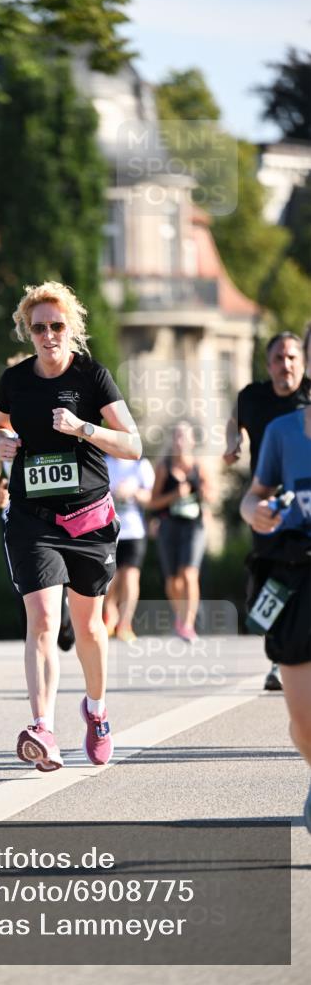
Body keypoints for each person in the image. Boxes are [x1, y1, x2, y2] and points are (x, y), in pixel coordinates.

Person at [0, 281, 141, 771]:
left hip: (88, 519)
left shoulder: (93, 376)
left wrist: (83, 428)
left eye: (57, 326)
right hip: (33, 517)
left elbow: (133, 445)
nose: (49, 335)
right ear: (26, 332)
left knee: (90, 628)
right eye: (39, 327)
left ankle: (96, 712)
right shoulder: (15, 381)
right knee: (43, 622)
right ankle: (43, 728)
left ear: (70, 328)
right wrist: (1, 445)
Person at [239, 323, 311, 833]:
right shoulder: (284, 432)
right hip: (297, 571)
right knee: (303, 719)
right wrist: (254, 511)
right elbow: (254, 493)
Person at [224, 331, 310, 691]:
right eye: (278, 358)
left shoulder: (308, 396)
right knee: (271, 584)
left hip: (300, 503)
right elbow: (234, 420)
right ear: (268, 363)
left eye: (292, 358)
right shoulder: (253, 397)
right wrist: (234, 440)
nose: (285, 365)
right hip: (264, 499)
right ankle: (279, 656)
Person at [0, 429, 75, 652]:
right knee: (25, 588)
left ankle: (64, 616)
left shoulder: (61, 421)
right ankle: (35, 658)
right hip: (19, 519)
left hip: (61, 516)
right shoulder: (0, 434)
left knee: (58, 586)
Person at [149, 421, 215, 643]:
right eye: (177, 436)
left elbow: (212, 496)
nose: (180, 441)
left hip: (194, 526)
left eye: (184, 437)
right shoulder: (164, 467)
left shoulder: (199, 466)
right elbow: (153, 502)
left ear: (192, 441)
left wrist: (205, 492)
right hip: (169, 526)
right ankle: (180, 615)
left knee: (189, 574)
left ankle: (188, 625)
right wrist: (175, 494)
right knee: (173, 580)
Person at [103, 456, 155, 642]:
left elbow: (151, 498)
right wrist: (114, 492)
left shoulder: (141, 464)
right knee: (110, 578)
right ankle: (110, 615)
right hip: (108, 531)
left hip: (134, 531)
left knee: (130, 577)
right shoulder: (104, 461)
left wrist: (133, 492)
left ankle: (125, 624)